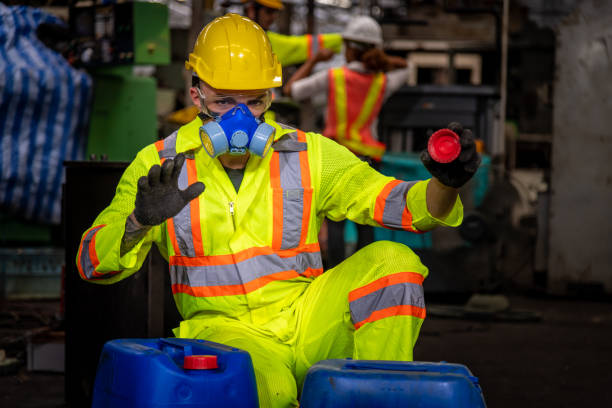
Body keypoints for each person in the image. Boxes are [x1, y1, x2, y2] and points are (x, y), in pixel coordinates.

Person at [76, 14, 480, 408]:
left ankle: (381, 397)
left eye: (255, 102)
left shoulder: (308, 154)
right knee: (271, 392)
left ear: (271, 96)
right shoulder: (159, 165)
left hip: (307, 319)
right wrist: (138, 223)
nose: (242, 118)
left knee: (393, 262)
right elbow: (92, 263)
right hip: (225, 332)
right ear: (195, 92)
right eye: (225, 102)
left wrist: (446, 183)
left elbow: (399, 205)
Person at [283, 15, 412, 267]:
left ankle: (337, 273)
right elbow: (406, 69)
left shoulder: (334, 76)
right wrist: (385, 61)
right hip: (368, 161)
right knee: (367, 219)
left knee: (336, 222)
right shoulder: (382, 82)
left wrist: (314, 60)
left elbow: (292, 90)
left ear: (349, 48)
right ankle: (367, 273)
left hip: (337, 159)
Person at [242, 0, 343, 67]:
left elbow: (300, 45)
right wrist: (342, 40)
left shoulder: (259, 38)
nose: (273, 17)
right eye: (269, 11)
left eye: (275, 12)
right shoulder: (263, 42)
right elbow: (299, 46)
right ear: (251, 10)